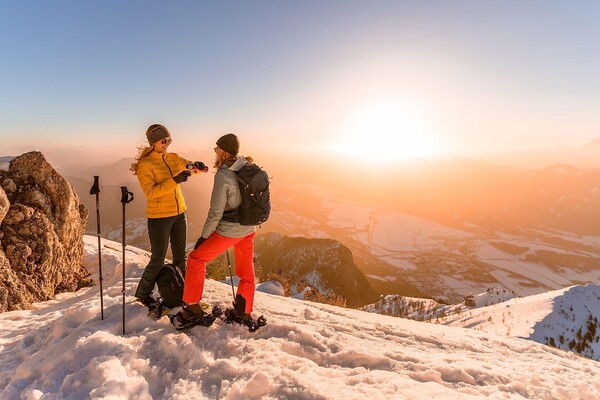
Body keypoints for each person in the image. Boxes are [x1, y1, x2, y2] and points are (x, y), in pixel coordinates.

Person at [172, 133, 256, 327]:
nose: (215, 152)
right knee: (246, 272)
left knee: (195, 259)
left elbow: (216, 211)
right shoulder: (248, 166)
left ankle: (192, 308)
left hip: (229, 230)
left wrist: (204, 237)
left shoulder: (224, 175)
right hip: (249, 228)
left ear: (223, 151)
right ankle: (243, 311)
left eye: (216, 149)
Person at [130, 124, 207, 310]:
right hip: (159, 217)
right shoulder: (145, 164)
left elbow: (188, 167)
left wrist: (198, 167)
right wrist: (175, 180)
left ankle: (184, 292)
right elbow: (151, 192)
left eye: (169, 140)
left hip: (179, 212)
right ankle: (142, 294)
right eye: (163, 141)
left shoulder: (173, 158)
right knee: (158, 257)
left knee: (181, 256)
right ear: (153, 142)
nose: (167, 144)